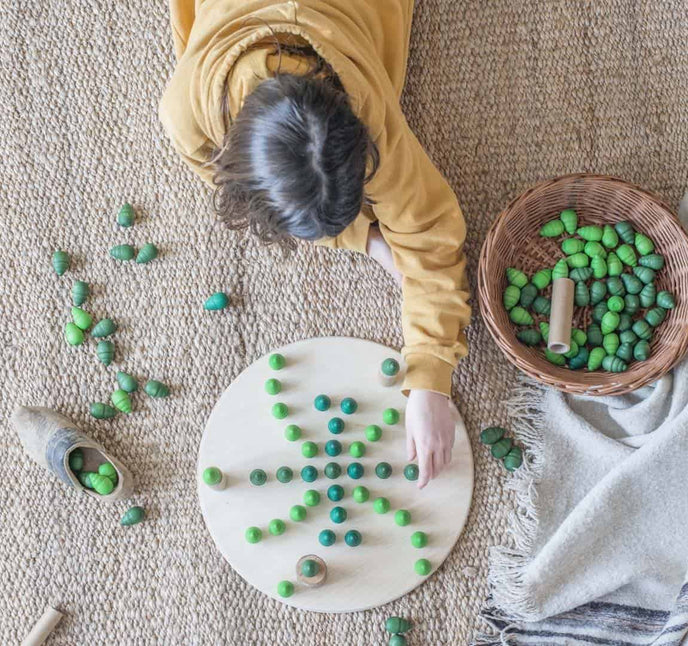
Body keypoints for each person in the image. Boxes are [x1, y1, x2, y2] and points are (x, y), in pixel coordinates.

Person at [159, 0, 471, 487]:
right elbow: (217, 180)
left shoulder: (370, 118)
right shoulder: (188, 114)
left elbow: (430, 234)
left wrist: (431, 376)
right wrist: (366, 238)